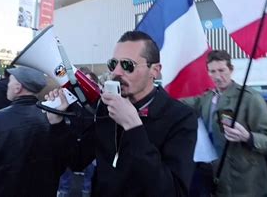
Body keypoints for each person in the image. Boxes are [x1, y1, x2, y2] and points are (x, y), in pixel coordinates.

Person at [47, 30, 198, 196]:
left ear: (154, 70)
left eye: (127, 65)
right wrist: (57, 122)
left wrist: (133, 128)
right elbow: (77, 160)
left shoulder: (181, 117)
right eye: (113, 64)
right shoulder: (106, 107)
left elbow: (173, 192)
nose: (116, 72)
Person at [182, 50, 267, 197]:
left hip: (244, 184)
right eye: (213, 71)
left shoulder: (250, 98)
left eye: (222, 70)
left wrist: (248, 137)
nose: (218, 76)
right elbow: (178, 105)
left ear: (231, 69)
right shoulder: (207, 98)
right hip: (215, 180)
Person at [0, 66, 72, 196]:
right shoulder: (54, 119)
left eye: (10, 81)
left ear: (18, 88)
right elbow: (62, 163)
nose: (7, 85)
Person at [57, 69, 98, 197]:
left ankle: (86, 193)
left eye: (89, 81)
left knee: (89, 175)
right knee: (65, 171)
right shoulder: (71, 100)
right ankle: (63, 192)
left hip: (90, 143)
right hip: (72, 141)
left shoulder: (98, 103)